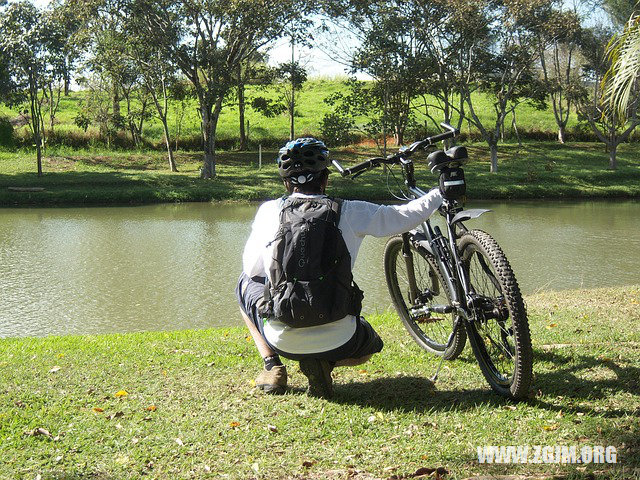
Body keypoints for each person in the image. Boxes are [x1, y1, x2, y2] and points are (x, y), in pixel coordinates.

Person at [236, 137, 443, 399]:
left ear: (286, 182)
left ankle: (272, 366)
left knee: (243, 283)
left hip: (283, 340)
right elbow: (403, 217)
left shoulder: (268, 211)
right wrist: (440, 192)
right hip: (343, 339)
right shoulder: (350, 210)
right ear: (325, 178)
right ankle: (325, 362)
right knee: (369, 348)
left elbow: (252, 268)